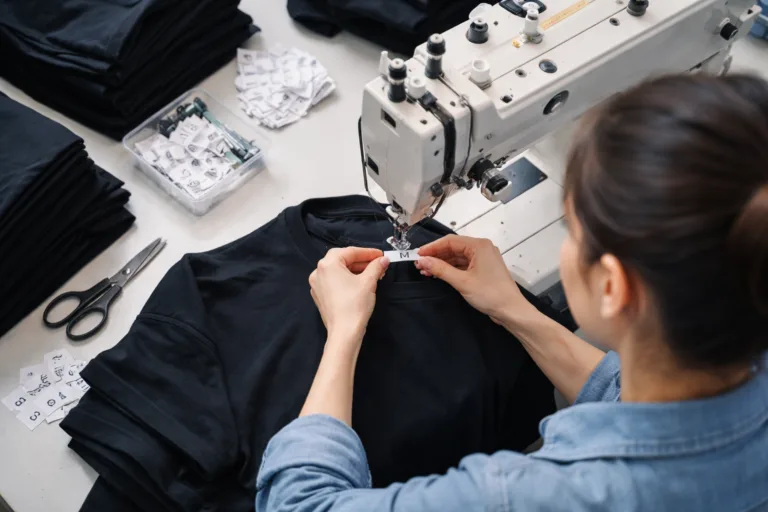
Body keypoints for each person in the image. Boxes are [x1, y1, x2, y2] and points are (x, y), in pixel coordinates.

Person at [256, 74, 768, 510]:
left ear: (613, 286)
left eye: (573, 228)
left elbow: (302, 501)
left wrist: (343, 335)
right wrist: (513, 310)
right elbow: (655, 406)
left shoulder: (526, 494)